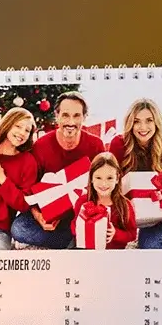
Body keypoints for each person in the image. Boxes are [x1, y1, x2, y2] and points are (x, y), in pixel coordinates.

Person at [12, 92, 104, 249]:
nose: (71, 122)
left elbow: (104, 185)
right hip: (50, 209)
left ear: (84, 117)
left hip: (81, 211)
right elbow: (29, 189)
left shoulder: (96, 145)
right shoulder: (41, 146)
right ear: (57, 116)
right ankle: (70, 240)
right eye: (65, 115)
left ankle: (71, 237)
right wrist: (38, 216)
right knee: (18, 229)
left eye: (77, 116)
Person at [109, 98, 162, 249]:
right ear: (130, 123)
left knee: (154, 245)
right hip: (132, 216)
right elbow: (110, 181)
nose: (143, 127)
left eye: (149, 120)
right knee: (149, 246)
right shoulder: (119, 143)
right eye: (137, 121)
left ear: (156, 122)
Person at [0, 107, 39, 250]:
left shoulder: (28, 161)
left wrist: (2, 178)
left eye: (27, 130)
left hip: (0, 229)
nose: (22, 133)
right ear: (8, 124)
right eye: (18, 126)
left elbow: (24, 204)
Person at [74, 152, 137, 249]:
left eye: (109, 178)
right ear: (91, 178)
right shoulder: (83, 202)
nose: (104, 184)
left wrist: (116, 233)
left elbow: (132, 234)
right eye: (98, 178)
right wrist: (83, 226)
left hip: (113, 254)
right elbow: (74, 226)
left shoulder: (125, 205)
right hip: (88, 252)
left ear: (117, 178)